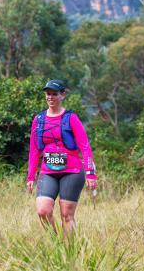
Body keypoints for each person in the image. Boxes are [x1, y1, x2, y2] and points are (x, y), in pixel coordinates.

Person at [26, 79, 97, 234]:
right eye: (48, 94)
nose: (50, 97)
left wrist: (91, 173)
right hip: (48, 171)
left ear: (62, 95)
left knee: (66, 215)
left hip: (72, 171)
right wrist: (31, 176)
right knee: (43, 211)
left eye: (54, 94)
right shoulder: (38, 120)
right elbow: (34, 150)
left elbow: (85, 146)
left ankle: (69, 253)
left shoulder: (71, 118)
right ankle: (56, 244)